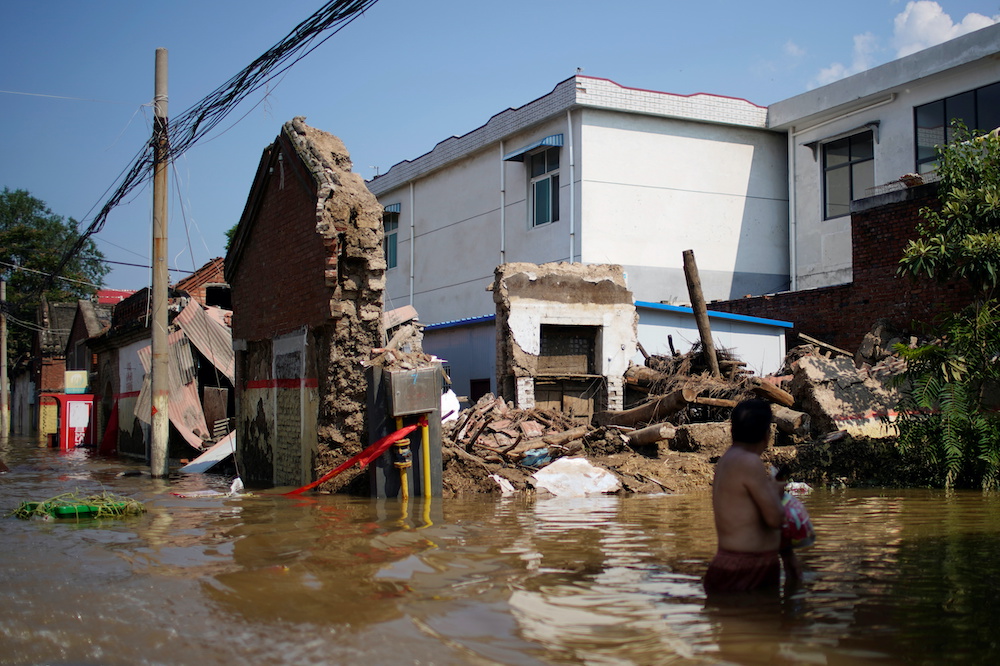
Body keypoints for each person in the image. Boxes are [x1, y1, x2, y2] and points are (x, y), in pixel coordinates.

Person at [704, 399, 800, 594]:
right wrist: (777, 493)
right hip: (747, 569)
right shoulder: (749, 462)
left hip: (729, 564)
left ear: (732, 432)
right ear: (767, 435)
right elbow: (774, 519)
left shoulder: (727, 460)